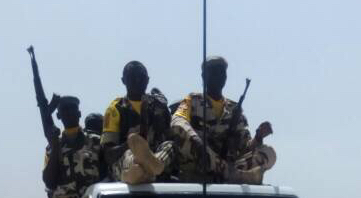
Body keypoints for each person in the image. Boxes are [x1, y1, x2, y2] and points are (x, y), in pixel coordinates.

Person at [171, 56, 276, 184]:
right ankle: (235, 175)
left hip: (229, 165)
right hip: (199, 163)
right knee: (178, 139)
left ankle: (229, 173)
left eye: (222, 72)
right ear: (204, 76)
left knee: (269, 153)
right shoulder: (193, 100)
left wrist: (258, 137)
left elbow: (245, 147)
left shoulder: (235, 109)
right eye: (214, 72)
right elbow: (178, 121)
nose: (219, 76)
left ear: (226, 77)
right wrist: (197, 142)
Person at [101, 61, 175, 184]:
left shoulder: (159, 107)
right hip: (126, 164)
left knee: (171, 145)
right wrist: (130, 144)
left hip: (156, 160)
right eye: (132, 77)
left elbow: (170, 138)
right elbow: (108, 155)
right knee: (130, 153)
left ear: (147, 80)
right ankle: (137, 170)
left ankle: (150, 168)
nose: (137, 81)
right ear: (123, 80)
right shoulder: (115, 109)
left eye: (141, 77)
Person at [43, 96, 100, 198]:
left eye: (72, 109)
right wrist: (55, 145)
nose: (69, 113)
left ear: (79, 113)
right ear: (58, 116)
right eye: (64, 110)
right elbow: (48, 180)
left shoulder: (95, 141)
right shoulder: (52, 147)